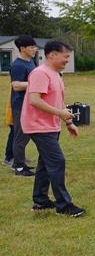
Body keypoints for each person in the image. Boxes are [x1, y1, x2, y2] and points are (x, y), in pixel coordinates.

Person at [22, 41, 85, 217]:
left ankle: (40, 201)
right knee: (57, 161)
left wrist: (69, 123)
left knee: (45, 163)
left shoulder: (56, 74)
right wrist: (60, 113)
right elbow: (34, 100)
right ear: (52, 55)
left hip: (50, 125)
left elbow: (58, 102)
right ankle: (64, 205)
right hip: (38, 126)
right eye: (65, 56)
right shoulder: (40, 73)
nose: (67, 60)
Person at [10, 35, 38, 176]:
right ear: (22, 49)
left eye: (35, 46)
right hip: (20, 105)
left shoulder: (31, 62)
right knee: (21, 135)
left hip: (31, 103)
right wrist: (37, 84)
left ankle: (20, 162)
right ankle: (19, 167)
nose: (35, 49)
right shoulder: (18, 65)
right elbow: (16, 86)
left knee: (28, 134)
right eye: (32, 47)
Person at [4, 88, 14, 167]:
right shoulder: (16, 81)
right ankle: (9, 158)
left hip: (14, 112)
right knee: (14, 135)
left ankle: (17, 156)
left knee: (18, 136)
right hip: (13, 112)